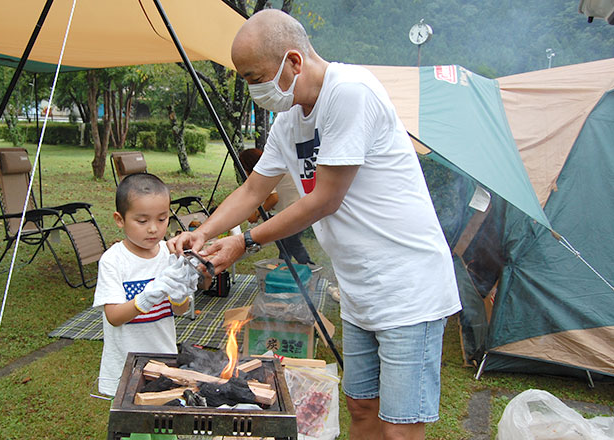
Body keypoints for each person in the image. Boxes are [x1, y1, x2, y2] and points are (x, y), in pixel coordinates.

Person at [168, 9, 461, 440]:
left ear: (294, 62)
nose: (252, 89)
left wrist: (244, 242)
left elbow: (324, 200)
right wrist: (205, 232)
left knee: (399, 429)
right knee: (361, 408)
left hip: (407, 289)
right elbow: (253, 191)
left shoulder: (350, 93)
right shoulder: (289, 121)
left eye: (255, 77)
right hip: (361, 291)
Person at [93, 173, 198, 399]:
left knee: (165, 423)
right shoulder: (114, 260)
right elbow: (114, 316)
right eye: (142, 221)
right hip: (126, 365)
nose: (153, 229)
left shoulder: (169, 254)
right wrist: (146, 297)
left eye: (162, 219)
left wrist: (181, 295)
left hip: (164, 360)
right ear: (120, 220)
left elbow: (179, 310)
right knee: (133, 429)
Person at [238, 148, 314, 265]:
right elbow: (277, 194)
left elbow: (274, 198)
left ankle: (308, 268)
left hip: (296, 210)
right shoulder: (273, 165)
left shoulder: (267, 171)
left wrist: (257, 215)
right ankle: (283, 268)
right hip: (299, 207)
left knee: (291, 243)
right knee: (285, 243)